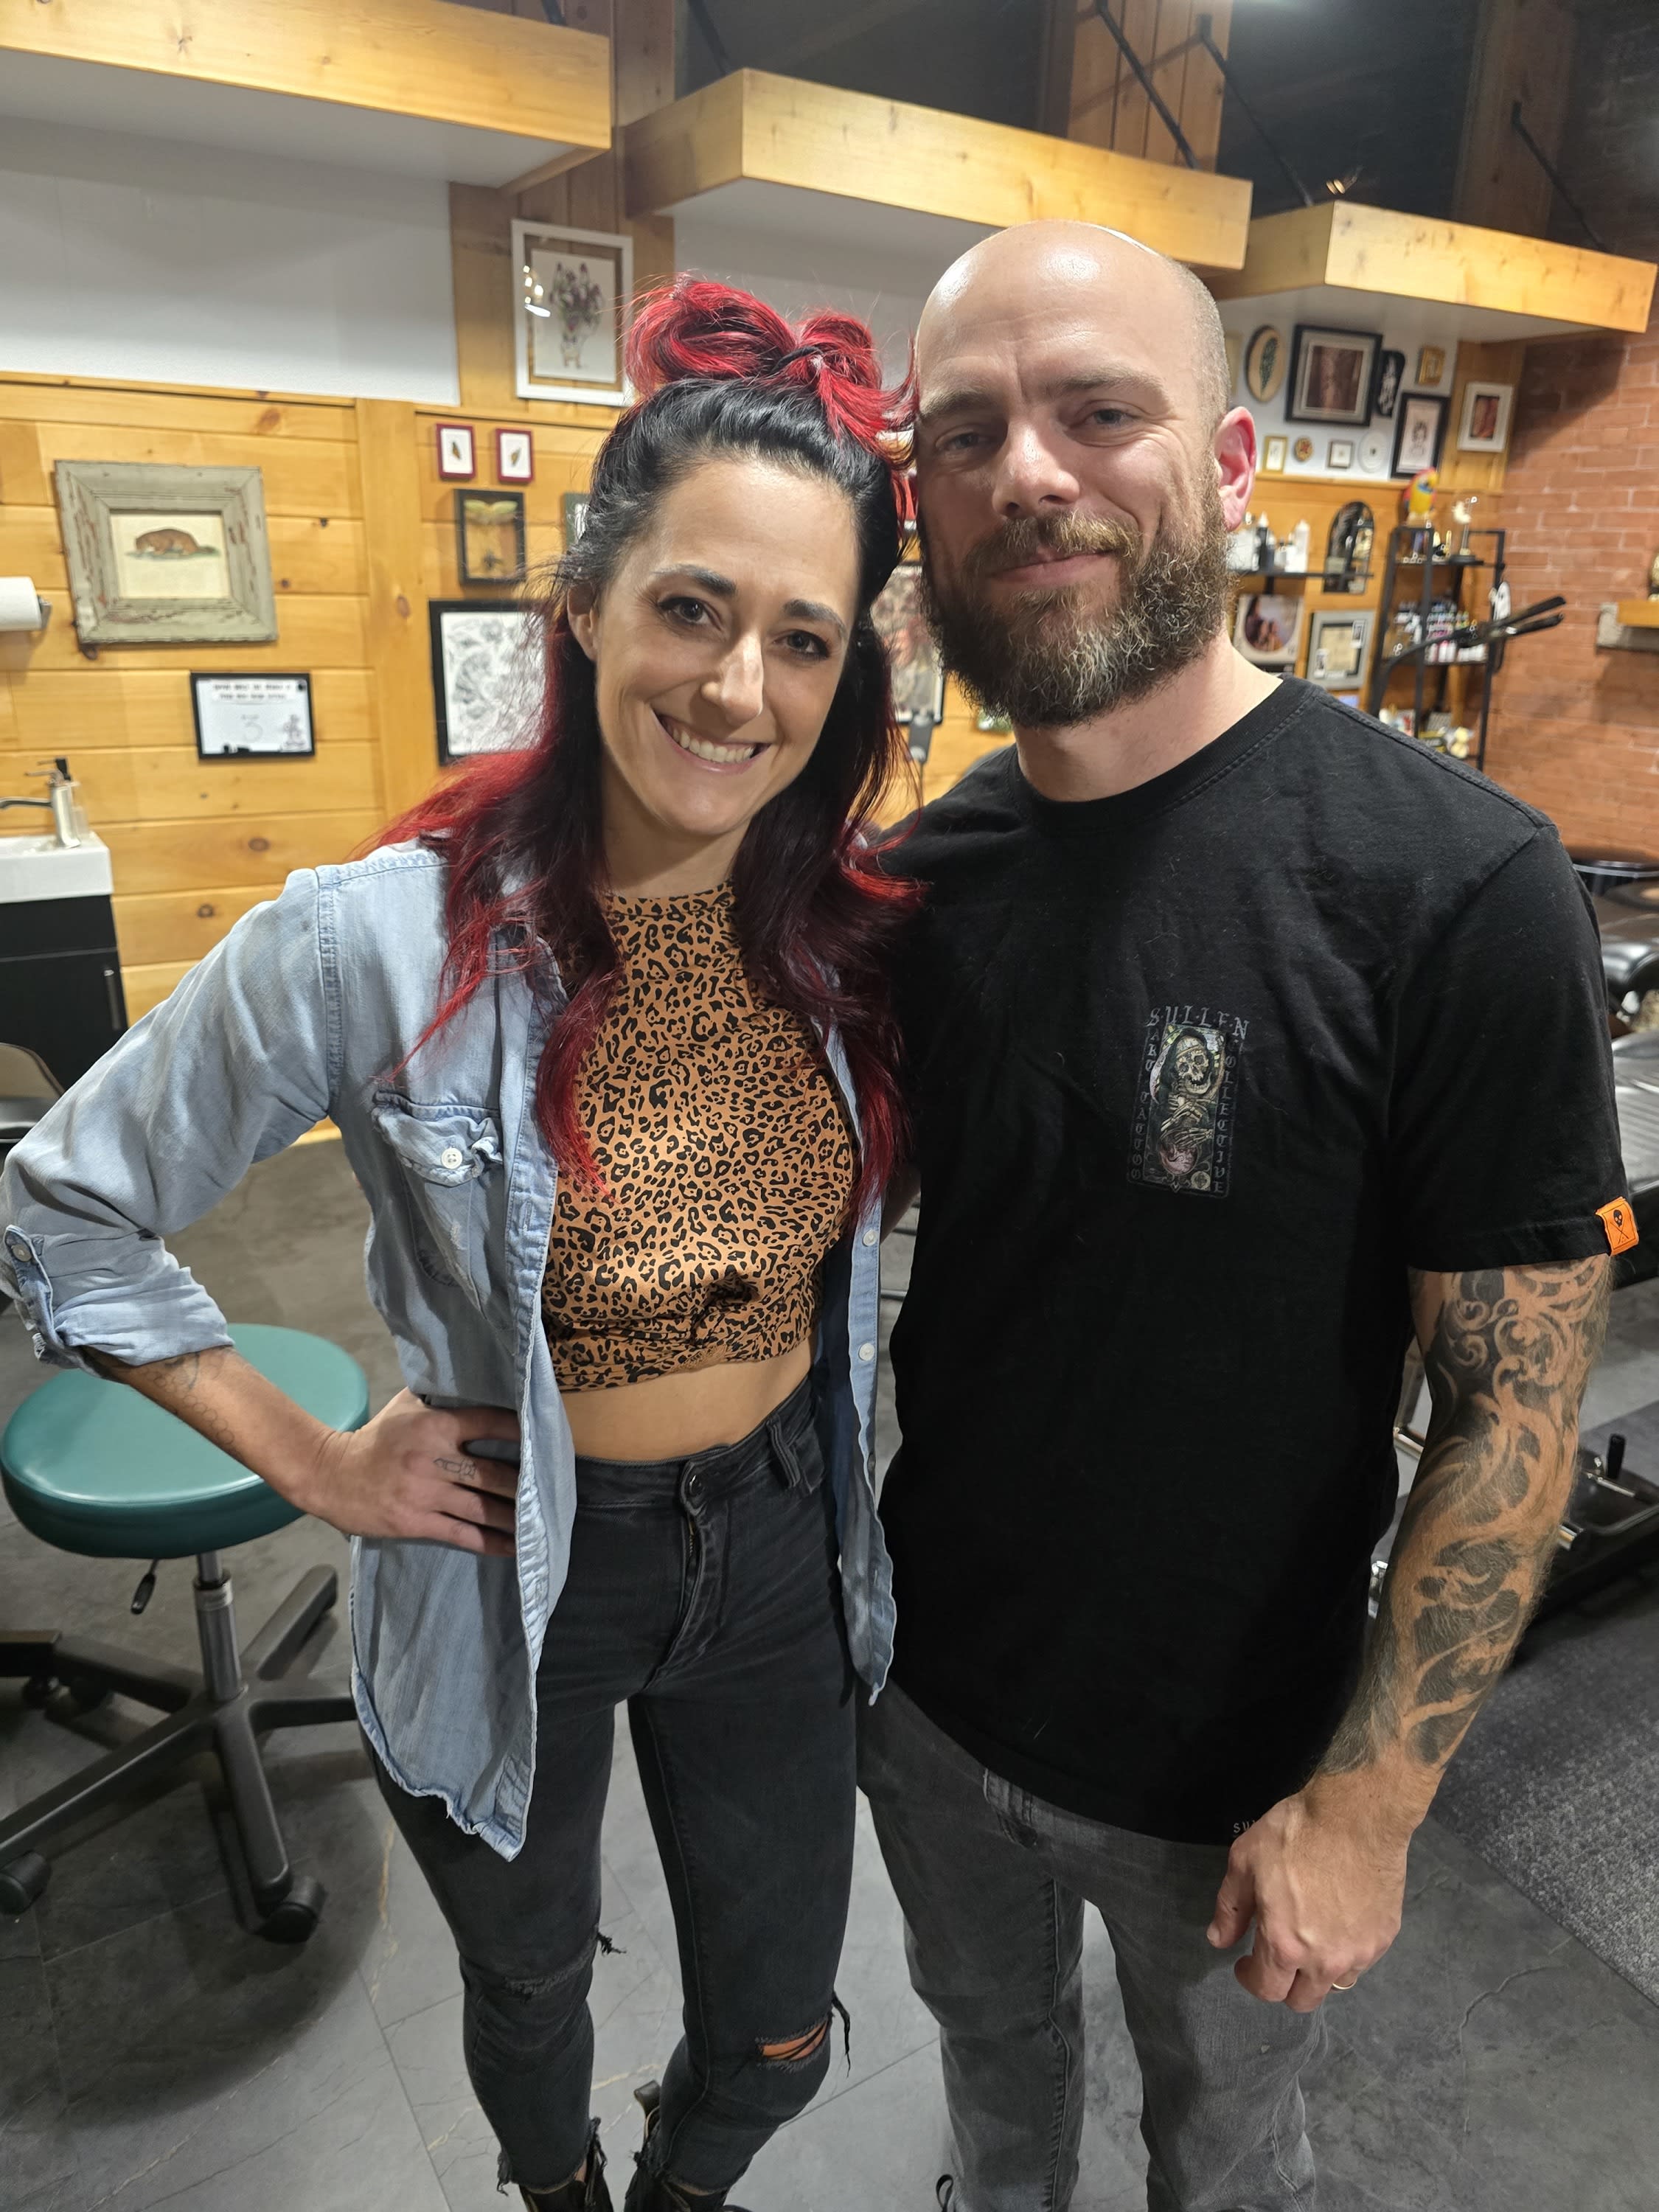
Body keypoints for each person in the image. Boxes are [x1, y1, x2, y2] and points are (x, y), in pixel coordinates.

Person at [0, 280, 917, 2212]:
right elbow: (64, 1194)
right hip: (516, 1561)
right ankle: (556, 2190)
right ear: (583, 604)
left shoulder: (848, 943)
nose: (737, 689)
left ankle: (679, 2190)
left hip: (780, 1541)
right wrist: (317, 1461)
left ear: (846, 677)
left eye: (801, 640)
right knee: (528, 1984)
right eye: (693, 609)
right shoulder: (383, 939)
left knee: (776, 2025)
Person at [860, 220, 1625, 2212]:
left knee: (1226, 2161)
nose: (1028, 473)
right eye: (966, 434)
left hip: (1234, 1769)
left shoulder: (1453, 884)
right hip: (924, 1696)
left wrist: (1370, 1805)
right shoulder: (916, 890)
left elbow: (1514, 1404)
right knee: (991, 2094)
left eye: (1096, 411)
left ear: (1229, 461)